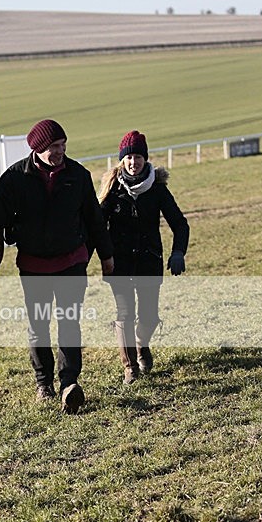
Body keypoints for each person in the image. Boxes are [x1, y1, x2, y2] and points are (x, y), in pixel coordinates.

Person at [0, 119, 114, 414]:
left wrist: (107, 257)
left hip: (72, 261)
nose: (60, 151)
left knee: (69, 323)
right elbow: (0, 218)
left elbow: (95, 219)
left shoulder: (78, 175)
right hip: (34, 266)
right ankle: (44, 384)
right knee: (39, 327)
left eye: (63, 145)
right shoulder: (15, 178)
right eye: (54, 146)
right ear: (38, 148)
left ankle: (69, 383)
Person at [99, 130, 189, 384]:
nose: (133, 162)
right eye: (128, 157)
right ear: (122, 160)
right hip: (120, 263)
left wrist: (178, 251)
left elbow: (180, 224)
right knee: (124, 314)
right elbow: (97, 226)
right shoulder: (113, 189)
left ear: (145, 159)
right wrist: (103, 256)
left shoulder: (157, 189)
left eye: (138, 156)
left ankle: (142, 344)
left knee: (149, 316)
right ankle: (130, 367)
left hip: (150, 260)